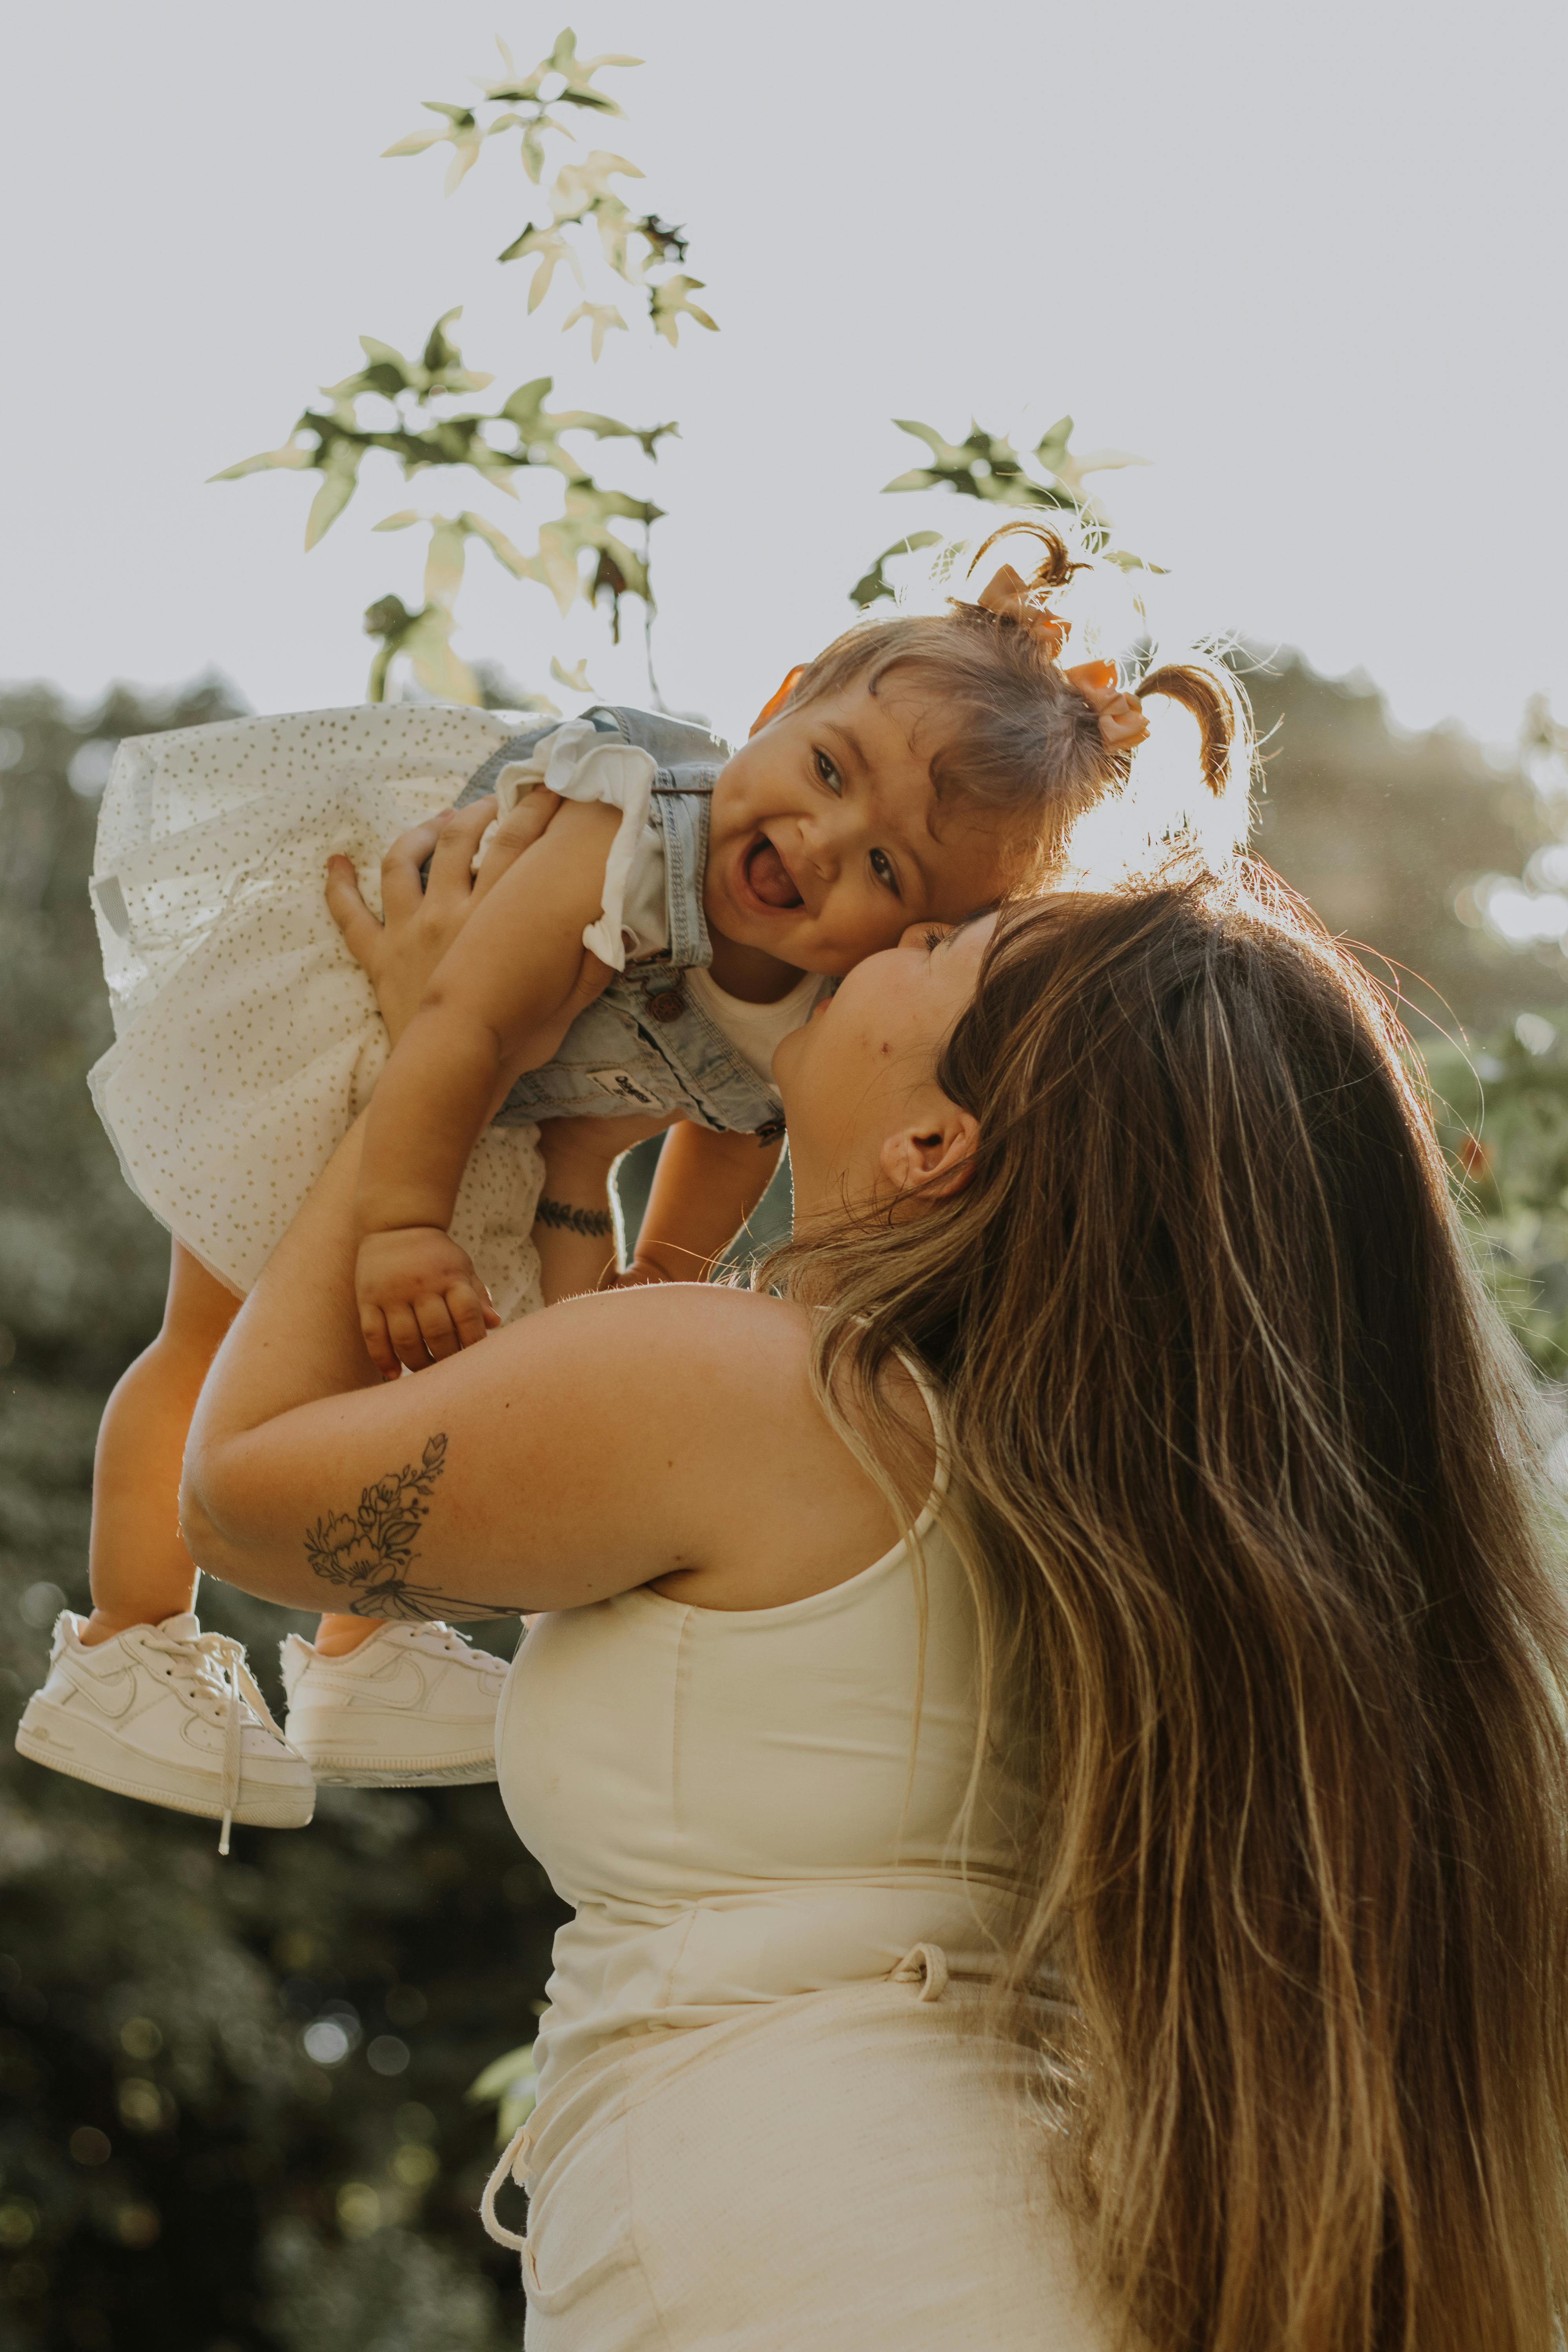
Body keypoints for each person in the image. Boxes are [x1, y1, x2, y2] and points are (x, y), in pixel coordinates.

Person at [177, 831, 1568, 2348]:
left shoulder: (758, 1390)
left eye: (945, 943)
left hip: (801, 2256)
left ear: (932, 1147)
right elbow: (562, 1461)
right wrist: (568, 1152)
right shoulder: (1082, 1496)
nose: (890, 928)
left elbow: (240, 1494)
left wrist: (433, 1045)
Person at [15, 528, 1241, 1835]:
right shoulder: (629, 826)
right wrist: (396, 1224)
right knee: (212, 1331)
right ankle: (123, 1646)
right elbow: (467, 1021)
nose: (822, 845)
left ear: (925, 926)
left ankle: (355, 1660)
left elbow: (739, 1124)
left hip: (488, 1117)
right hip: (370, 1030)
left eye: (892, 873)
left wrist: (661, 1274)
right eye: (827, 769)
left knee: (433, 1358)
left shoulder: (821, 988)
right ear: (778, 700)